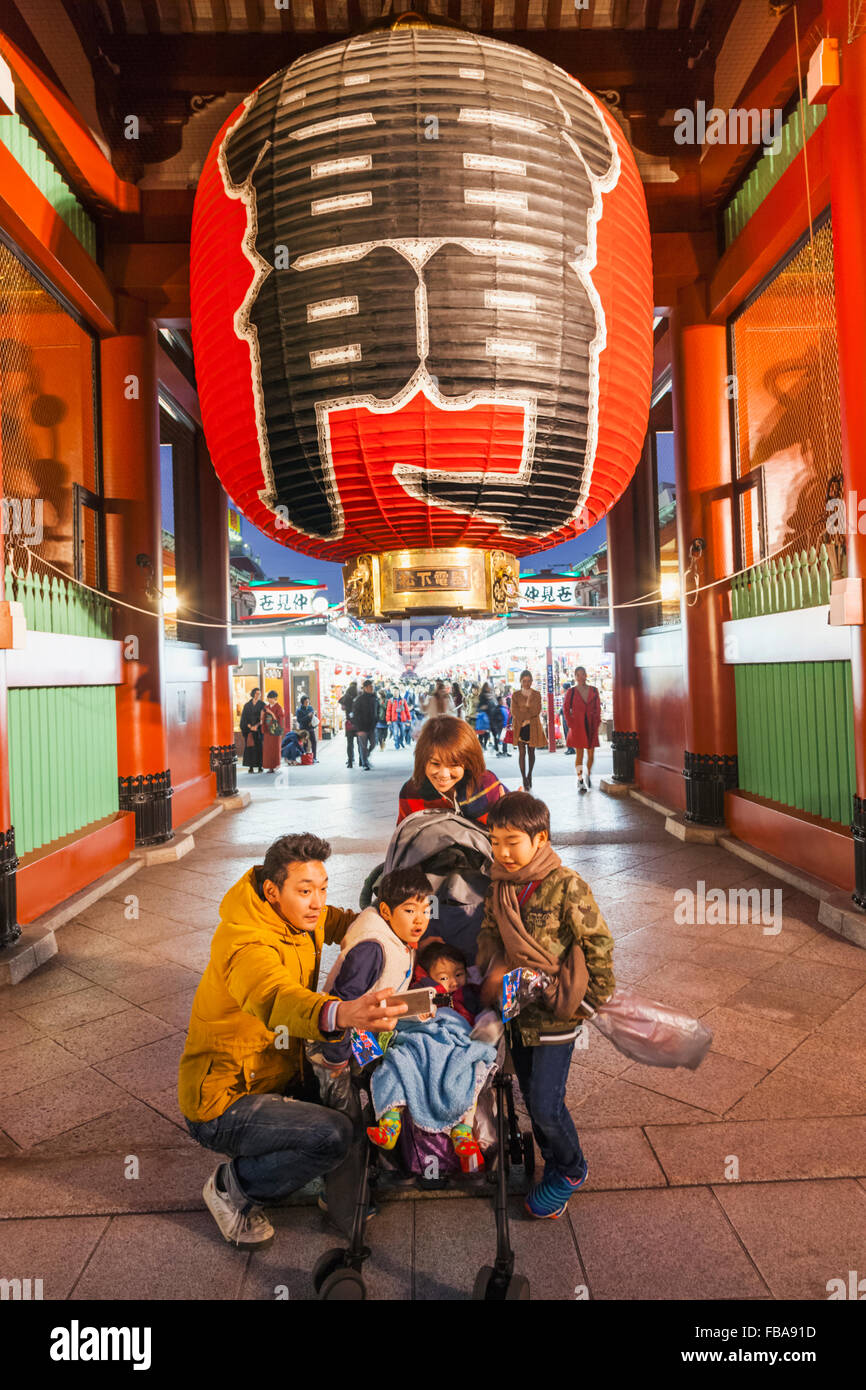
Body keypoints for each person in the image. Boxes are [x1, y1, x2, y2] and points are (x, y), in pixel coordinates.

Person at [178, 833, 408, 1248]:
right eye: (305, 891)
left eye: (322, 889)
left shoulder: (300, 915)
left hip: (277, 1071)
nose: (318, 902)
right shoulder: (245, 944)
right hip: (224, 1099)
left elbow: (353, 924)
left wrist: (408, 919)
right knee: (333, 1134)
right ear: (272, 891)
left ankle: (324, 1183)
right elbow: (276, 998)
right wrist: (340, 1012)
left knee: (350, 1095)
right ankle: (234, 1187)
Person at [477, 792, 615, 1219]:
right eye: (495, 840)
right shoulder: (499, 885)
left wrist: (593, 999)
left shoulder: (567, 885)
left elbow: (598, 943)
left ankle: (572, 1168)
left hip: (556, 1014)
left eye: (512, 841)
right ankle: (553, 1168)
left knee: (545, 1104)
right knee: (532, 1098)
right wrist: (488, 971)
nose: (502, 851)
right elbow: (489, 933)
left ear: (541, 838)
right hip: (517, 1013)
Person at [397, 714, 508, 825]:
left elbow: (512, 829)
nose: (443, 774)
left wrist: (513, 813)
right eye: (435, 764)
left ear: (468, 762)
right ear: (422, 761)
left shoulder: (487, 784)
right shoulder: (411, 792)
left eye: (454, 765)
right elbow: (404, 836)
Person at [412, 940, 481, 1027]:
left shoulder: (470, 991)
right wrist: (420, 1014)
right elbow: (413, 1008)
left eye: (458, 975)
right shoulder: (424, 992)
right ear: (428, 976)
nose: (454, 983)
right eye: (444, 978)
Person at [563, 666, 602, 793]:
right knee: (579, 754)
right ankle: (580, 780)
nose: (581, 677)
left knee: (591, 754)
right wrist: (571, 723)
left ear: (586, 675)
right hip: (577, 726)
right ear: (575, 676)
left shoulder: (594, 690)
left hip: (591, 726)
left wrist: (597, 722)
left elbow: (597, 709)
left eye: (583, 674)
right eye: (578, 674)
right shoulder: (571, 692)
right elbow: (565, 709)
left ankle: (588, 774)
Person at [510, 669, 546, 791]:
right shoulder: (515, 695)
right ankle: (523, 778)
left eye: (529, 680)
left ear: (531, 681)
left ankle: (530, 774)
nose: (527, 683)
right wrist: (525, 717)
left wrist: (525, 714)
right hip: (520, 727)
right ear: (520, 681)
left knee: (531, 752)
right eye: (524, 681)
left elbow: (537, 710)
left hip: (533, 726)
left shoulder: (537, 694)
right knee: (521, 753)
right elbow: (514, 711)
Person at [351, 678, 378, 770]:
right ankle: (364, 763)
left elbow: (376, 711)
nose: (372, 688)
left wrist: (376, 720)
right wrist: (358, 728)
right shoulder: (359, 700)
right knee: (363, 746)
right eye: (370, 687)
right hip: (362, 728)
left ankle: (366, 755)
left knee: (374, 743)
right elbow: (355, 714)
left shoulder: (374, 698)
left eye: (373, 687)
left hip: (372, 726)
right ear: (365, 688)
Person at [240, 687, 265, 774]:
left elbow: (264, 717)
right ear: (253, 694)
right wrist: (249, 726)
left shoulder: (262, 704)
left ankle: (260, 766)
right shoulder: (247, 705)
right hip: (249, 730)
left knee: (259, 748)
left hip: (258, 730)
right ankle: (250, 767)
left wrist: (257, 725)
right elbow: (244, 717)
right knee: (250, 748)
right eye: (256, 693)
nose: (258, 695)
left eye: (259, 694)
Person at [261, 691, 284, 772]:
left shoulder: (279, 707)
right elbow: (263, 718)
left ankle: (276, 765)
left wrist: (270, 712)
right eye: (269, 698)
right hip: (267, 730)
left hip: (275, 729)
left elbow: (279, 719)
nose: (270, 700)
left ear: (275, 698)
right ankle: (270, 766)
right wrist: (262, 716)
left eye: (272, 698)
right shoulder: (266, 706)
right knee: (268, 749)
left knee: (275, 748)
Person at [479, 681, 503, 753]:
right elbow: (480, 707)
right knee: (483, 733)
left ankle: (496, 747)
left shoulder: (492, 695)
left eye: (489, 687)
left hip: (493, 717)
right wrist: (483, 707)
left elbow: (495, 704)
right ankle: (482, 745)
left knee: (494, 732)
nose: (488, 688)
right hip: (485, 717)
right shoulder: (482, 696)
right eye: (487, 687)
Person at [339, 681, 358, 768]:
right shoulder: (359, 696)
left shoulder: (346, 696)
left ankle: (350, 761)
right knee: (360, 743)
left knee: (350, 743)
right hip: (358, 723)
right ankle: (361, 760)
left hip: (349, 723)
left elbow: (342, 706)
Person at [294, 694, 318, 762]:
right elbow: (299, 720)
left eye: (308, 702)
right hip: (304, 729)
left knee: (314, 742)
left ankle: (314, 758)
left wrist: (313, 723)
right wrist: (308, 716)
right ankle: (304, 758)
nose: (307, 703)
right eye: (306, 702)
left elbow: (314, 717)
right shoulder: (299, 710)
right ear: (302, 702)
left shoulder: (310, 708)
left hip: (311, 728)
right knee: (305, 744)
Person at [561, 681, 575, 755]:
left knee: (568, 732)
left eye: (562, 688)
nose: (561, 689)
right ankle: (570, 748)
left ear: (565, 688)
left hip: (567, 717)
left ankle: (571, 749)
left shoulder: (568, 695)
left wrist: (560, 711)